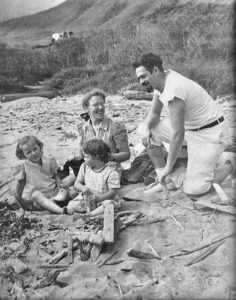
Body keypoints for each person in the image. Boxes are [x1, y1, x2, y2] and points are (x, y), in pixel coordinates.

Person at [133, 53, 234, 196]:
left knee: (195, 190)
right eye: (139, 78)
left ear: (155, 70)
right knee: (145, 129)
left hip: (211, 133)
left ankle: (230, 166)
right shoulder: (161, 80)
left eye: (143, 76)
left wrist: (169, 165)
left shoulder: (174, 89)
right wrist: (146, 128)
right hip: (191, 130)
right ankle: (164, 179)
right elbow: (154, 114)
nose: (141, 82)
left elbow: (178, 133)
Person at [55, 89, 130, 200]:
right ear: (86, 108)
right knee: (64, 182)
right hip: (89, 166)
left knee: (74, 192)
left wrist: (109, 157)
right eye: (96, 105)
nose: (100, 107)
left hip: (108, 169)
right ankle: (58, 194)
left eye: (102, 104)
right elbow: (82, 154)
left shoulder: (115, 127)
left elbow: (126, 154)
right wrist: (75, 157)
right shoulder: (82, 128)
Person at [12, 135, 69, 214]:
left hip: (53, 191)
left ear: (40, 147)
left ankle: (53, 203)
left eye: (35, 149)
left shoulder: (48, 160)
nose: (33, 153)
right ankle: (60, 211)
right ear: (23, 155)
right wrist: (18, 198)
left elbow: (54, 175)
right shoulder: (24, 165)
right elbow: (21, 183)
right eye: (29, 152)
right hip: (38, 197)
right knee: (36, 195)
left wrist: (59, 183)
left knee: (71, 183)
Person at [65, 139, 121, 216]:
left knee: (108, 204)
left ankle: (89, 215)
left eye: (86, 157)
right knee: (70, 207)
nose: (84, 159)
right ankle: (86, 212)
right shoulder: (85, 167)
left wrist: (99, 198)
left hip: (103, 200)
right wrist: (83, 188)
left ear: (97, 157)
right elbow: (77, 183)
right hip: (87, 200)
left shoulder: (111, 173)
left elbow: (112, 193)